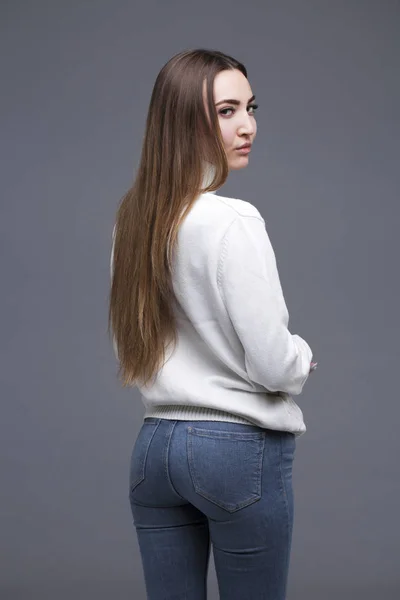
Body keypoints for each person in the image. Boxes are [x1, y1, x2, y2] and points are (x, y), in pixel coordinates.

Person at [108, 48, 318, 600]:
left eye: (250, 107)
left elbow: (132, 342)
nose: (247, 125)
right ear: (183, 120)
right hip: (234, 450)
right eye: (226, 111)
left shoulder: (132, 220)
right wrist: (302, 358)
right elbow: (274, 362)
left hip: (153, 449)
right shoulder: (233, 219)